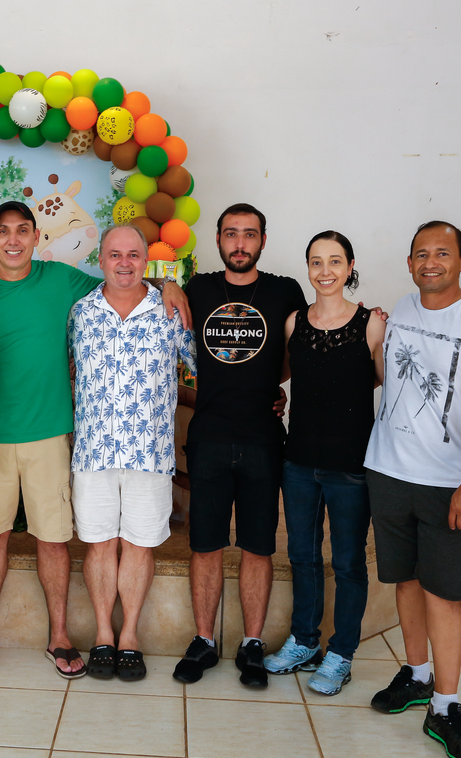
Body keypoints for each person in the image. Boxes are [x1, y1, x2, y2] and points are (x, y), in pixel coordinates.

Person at [0, 201, 189, 680]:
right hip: (1, 435)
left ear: (36, 236)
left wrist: (170, 284)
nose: (14, 240)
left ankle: (69, 636)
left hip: (61, 437)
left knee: (56, 540)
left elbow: (128, 281)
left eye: (23, 230)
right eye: (4, 231)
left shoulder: (66, 283)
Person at [365, 221, 461, 758]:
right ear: (409, 262)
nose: (431, 262)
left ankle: (447, 706)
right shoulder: (400, 310)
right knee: (405, 581)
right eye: (421, 254)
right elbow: (389, 378)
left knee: (444, 594)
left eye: (442, 253)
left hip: (448, 483)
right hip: (388, 471)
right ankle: (417, 674)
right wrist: (375, 341)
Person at [174, 203, 306, 689]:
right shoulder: (198, 288)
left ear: (263, 241)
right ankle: (204, 641)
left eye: (250, 234)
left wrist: (275, 386)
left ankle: (252, 643)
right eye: (231, 234)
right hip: (208, 436)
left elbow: (297, 349)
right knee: (205, 544)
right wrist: (167, 286)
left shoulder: (285, 291)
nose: (240, 243)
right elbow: (159, 294)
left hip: (262, 440)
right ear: (218, 239)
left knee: (258, 546)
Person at [69, 225, 196, 682]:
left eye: (133, 254)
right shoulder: (79, 313)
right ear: (100, 259)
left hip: (151, 452)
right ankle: (104, 634)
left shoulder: (170, 310)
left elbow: (201, 367)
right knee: (100, 543)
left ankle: (130, 637)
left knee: (140, 545)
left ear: (147, 260)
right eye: (115, 254)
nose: (124, 263)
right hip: (94, 452)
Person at [263, 231, 385, 695]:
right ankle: (304, 641)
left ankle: (341, 653)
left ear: (350, 267)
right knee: (303, 556)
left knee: (349, 562)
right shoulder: (294, 322)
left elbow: (384, 381)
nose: (326, 270)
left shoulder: (372, 324)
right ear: (308, 268)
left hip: (351, 466)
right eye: (317, 262)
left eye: (335, 261)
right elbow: (282, 375)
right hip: (298, 461)